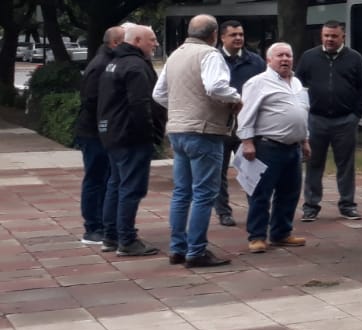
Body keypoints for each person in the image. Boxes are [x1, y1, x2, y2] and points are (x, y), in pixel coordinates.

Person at [154, 15, 240, 269]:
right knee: (204, 193)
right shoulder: (210, 54)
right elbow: (215, 87)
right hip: (204, 131)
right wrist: (236, 98)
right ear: (214, 35)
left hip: (178, 129)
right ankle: (196, 250)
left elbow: (158, 94)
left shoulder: (175, 55)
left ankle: (177, 248)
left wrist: (181, 108)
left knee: (182, 193)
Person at [96, 24, 165, 257]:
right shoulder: (135, 66)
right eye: (152, 39)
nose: (155, 44)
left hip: (114, 134)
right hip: (131, 136)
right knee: (131, 188)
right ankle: (126, 239)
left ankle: (111, 236)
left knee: (116, 185)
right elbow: (140, 105)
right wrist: (150, 134)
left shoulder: (114, 63)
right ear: (137, 41)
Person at [236, 42, 311, 254]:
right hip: (267, 147)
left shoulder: (296, 83)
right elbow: (246, 113)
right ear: (269, 60)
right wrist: (247, 141)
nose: (285, 59)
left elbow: (302, 113)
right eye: (280, 56)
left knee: (290, 193)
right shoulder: (258, 82)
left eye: (288, 55)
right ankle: (257, 236)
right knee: (261, 193)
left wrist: (305, 140)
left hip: (293, 148)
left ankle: (281, 233)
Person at [296, 21, 362, 222]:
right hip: (316, 119)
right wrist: (303, 113)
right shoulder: (309, 57)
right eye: (326, 35)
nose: (329, 39)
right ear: (321, 36)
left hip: (345, 120)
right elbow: (297, 85)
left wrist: (356, 115)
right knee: (313, 163)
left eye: (334, 36)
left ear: (342, 36)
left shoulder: (354, 58)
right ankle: (311, 206)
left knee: (346, 165)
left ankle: (347, 205)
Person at [74, 24, 124, 246]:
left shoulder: (108, 62)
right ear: (115, 43)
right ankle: (93, 227)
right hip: (94, 133)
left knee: (104, 178)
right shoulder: (101, 65)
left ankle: (104, 224)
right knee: (96, 178)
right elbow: (92, 100)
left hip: (100, 131)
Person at [214, 20, 265, 228]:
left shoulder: (256, 62)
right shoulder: (213, 60)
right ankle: (223, 211)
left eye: (241, 35)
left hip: (248, 124)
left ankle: (256, 209)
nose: (238, 38)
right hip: (221, 124)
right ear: (222, 38)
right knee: (218, 171)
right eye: (233, 35)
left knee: (251, 169)